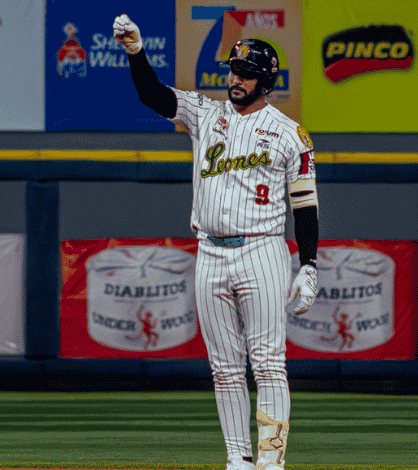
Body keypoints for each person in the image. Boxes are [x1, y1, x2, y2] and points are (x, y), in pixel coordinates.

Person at [113, 14, 320, 470]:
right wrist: (135, 53)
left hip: (262, 249)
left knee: (267, 364)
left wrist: (308, 264)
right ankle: (237, 459)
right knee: (225, 369)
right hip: (209, 251)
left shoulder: (290, 134)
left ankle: (271, 461)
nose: (236, 78)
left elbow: (304, 203)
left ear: (265, 81)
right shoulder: (206, 114)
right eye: (232, 70)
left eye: (246, 73)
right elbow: (153, 95)